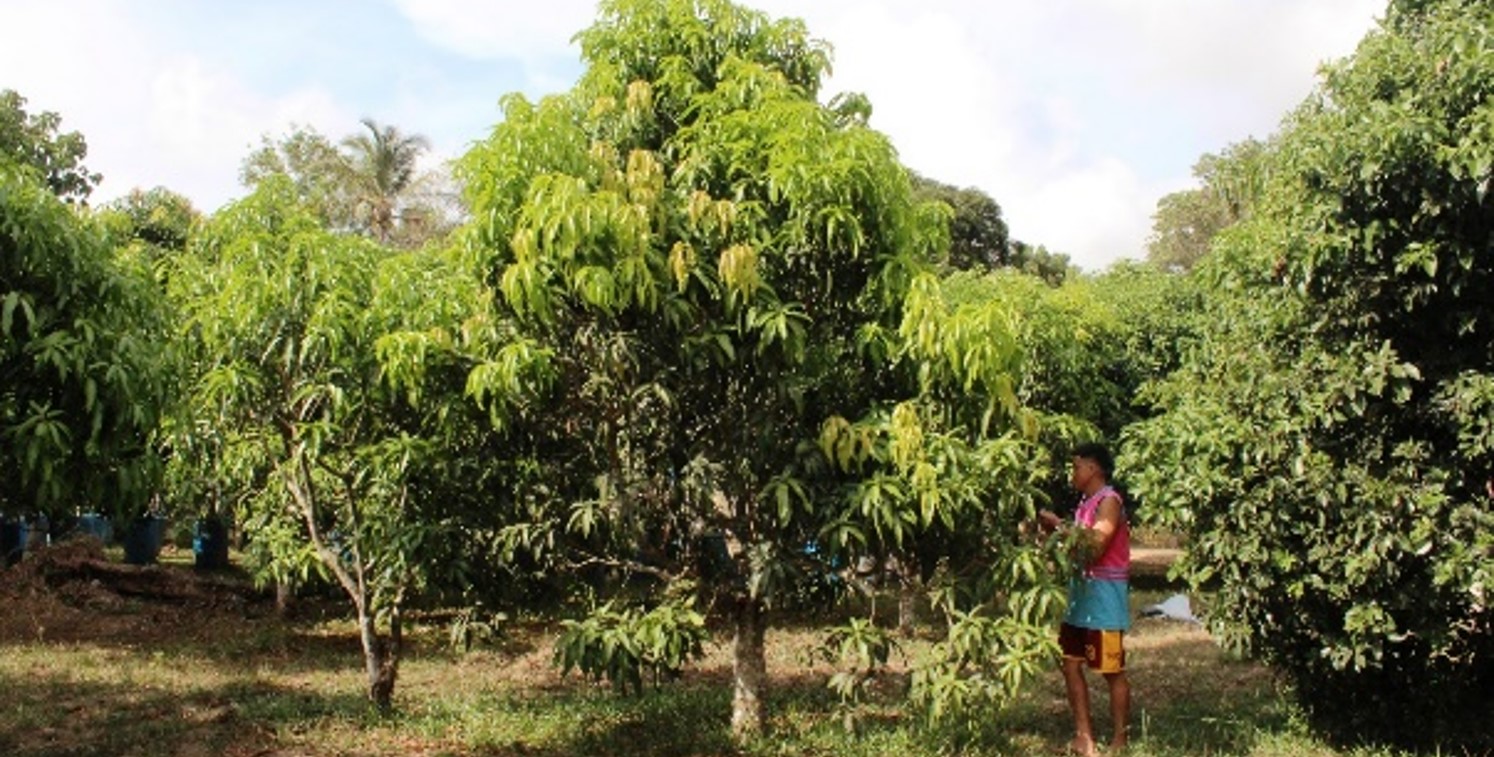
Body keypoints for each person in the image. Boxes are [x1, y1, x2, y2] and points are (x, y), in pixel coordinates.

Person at [1039, 442, 1130, 755]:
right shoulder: (1085, 503)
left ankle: (1120, 738)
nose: (1073, 473)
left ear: (1093, 469)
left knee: (1111, 670)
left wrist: (1060, 526)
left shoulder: (1109, 501)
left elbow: (1095, 544)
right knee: (1070, 664)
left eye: (1077, 466)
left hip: (1104, 599)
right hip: (1080, 599)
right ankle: (1084, 736)